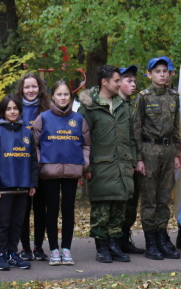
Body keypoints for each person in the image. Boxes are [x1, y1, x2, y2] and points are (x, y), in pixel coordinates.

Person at [78, 65, 135, 263]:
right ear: (105, 82)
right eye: (117, 80)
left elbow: (131, 137)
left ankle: (114, 244)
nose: (120, 84)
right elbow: (83, 140)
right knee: (101, 210)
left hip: (123, 165)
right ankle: (101, 247)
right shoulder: (90, 108)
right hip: (100, 167)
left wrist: (133, 161)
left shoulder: (124, 105)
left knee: (119, 207)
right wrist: (86, 167)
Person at [33, 80, 91, 266]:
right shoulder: (43, 118)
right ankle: (54, 250)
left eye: (66, 94)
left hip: (72, 171)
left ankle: (66, 249)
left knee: (68, 210)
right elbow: (35, 145)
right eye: (59, 94)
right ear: (53, 96)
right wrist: (40, 164)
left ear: (71, 97)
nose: (63, 97)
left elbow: (87, 144)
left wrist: (84, 164)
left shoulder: (79, 119)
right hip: (49, 171)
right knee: (51, 211)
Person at [133, 58, 181, 260]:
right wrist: (139, 158)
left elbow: (177, 125)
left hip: (168, 150)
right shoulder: (143, 97)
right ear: (149, 74)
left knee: (163, 199)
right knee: (149, 200)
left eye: (165, 71)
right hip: (149, 149)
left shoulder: (174, 97)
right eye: (157, 71)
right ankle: (151, 241)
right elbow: (136, 128)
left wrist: (177, 152)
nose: (162, 74)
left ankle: (162, 237)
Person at [0, 95, 37, 271]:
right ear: (3, 112)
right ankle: (1, 254)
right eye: (9, 109)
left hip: (23, 186)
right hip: (4, 186)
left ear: (20, 111)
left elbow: (33, 162)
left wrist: (33, 183)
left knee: (18, 222)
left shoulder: (27, 133)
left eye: (15, 108)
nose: (12, 112)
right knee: (4, 222)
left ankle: (13, 253)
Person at [15, 72, 49, 262]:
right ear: (22, 89)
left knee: (40, 209)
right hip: (21, 166)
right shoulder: (15, 108)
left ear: (39, 88)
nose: (30, 90)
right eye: (27, 87)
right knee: (23, 209)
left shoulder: (47, 109)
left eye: (34, 86)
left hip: (42, 166)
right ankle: (25, 247)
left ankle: (38, 247)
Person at [117, 65, 144, 255]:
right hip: (117, 162)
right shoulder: (112, 105)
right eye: (129, 81)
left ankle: (124, 238)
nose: (133, 84)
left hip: (132, 161)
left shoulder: (132, 105)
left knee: (131, 203)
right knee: (119, 202)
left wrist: (138, 159)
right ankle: (114, 240)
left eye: (135, 81)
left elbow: (137, 135)